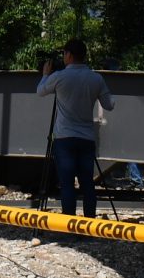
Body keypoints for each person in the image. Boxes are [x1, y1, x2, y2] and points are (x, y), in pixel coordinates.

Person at [35, 37, 113, 217]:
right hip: (86, 138)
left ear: (69, 55)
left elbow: (40, 91)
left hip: (64, 139)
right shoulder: (96, 78)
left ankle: (69, 225)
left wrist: (45, 74)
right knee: (87, 184)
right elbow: (109, 104)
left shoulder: (59, 77)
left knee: (67, 184)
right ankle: (89, 226)